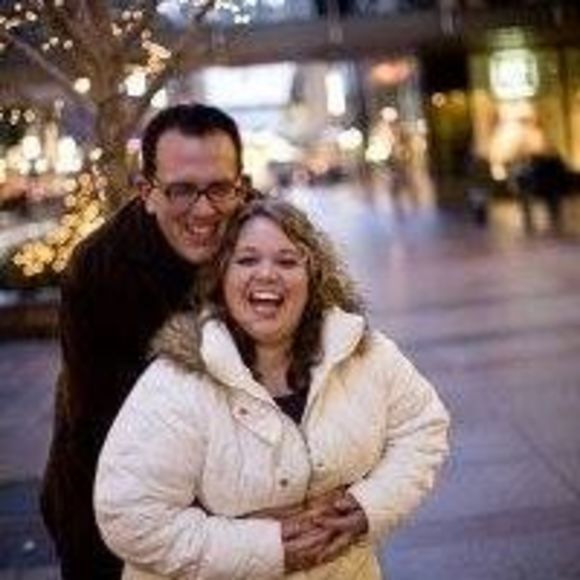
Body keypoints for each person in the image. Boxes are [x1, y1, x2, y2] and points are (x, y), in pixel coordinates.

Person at [94, 198, 451, 578]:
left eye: (287, 261)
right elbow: (130, 516)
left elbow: (422, 428)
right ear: (221, 277)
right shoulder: (176, 382)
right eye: (247, 260)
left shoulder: (364, 353)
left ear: (313, 276)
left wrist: (369, 506)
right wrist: (265, 547)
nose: (266, 274)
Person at [40, 103, 255, 579]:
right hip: (113, 508)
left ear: (241, 186)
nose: (204, 209)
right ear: (147, 193)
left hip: (248, 506)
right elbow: (108, 427)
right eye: (181, 190)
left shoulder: (270, 243)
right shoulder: (100, 270)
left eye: (219, 188)